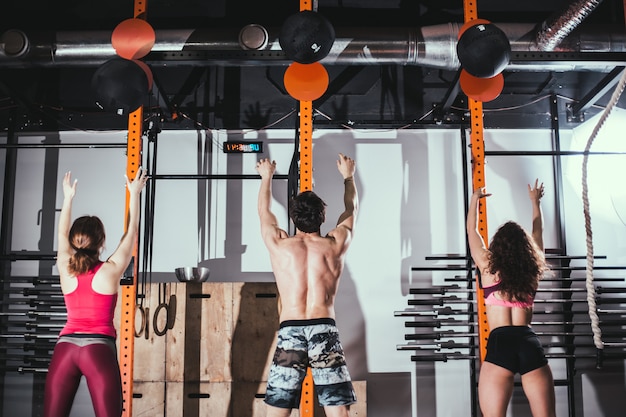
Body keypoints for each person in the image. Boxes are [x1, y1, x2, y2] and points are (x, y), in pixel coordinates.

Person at [256, 153, 358, 417]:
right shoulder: (335, 243)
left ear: (293, 218)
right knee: (338, 412)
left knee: (278, 410)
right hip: (323, 327)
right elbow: (351, 210)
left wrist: (266, 177)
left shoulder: (279, 244)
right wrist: (348, 176)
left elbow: (264, 212)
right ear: (323, 218)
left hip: (291, 330)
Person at [44, 168, 147, 417]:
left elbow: (60, 234)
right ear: (102, 242)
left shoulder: (64, 266)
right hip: (98, 349)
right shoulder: (109, 270)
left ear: (73, 241)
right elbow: (131, 233)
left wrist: (67, 198)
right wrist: (134, 193)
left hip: (65, 347)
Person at [467, 179, 556, 417]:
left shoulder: (488, 267)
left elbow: (472, 232)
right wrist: (535, 202)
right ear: (526, 249)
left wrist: (474, 201)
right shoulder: (531, 272)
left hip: (500, 345)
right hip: (528, 343)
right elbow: (538, 232)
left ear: (497, 246)